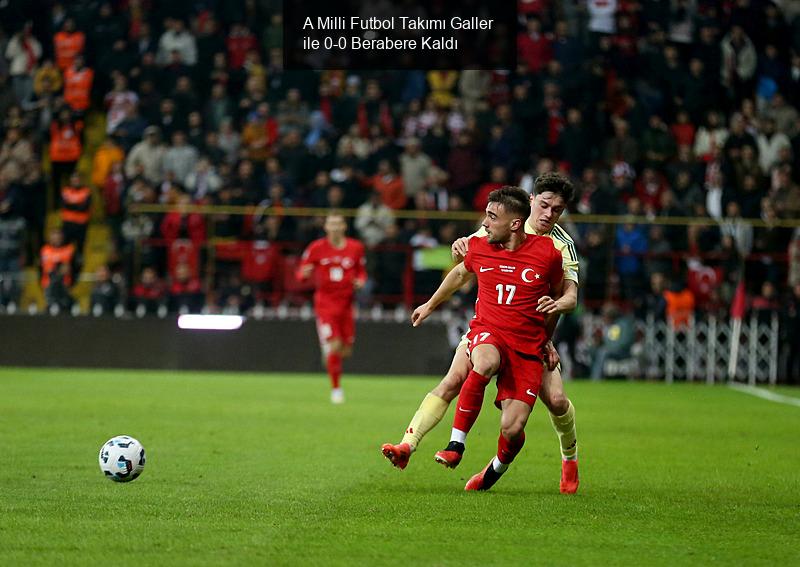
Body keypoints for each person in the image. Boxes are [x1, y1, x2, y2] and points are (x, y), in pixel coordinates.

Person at [382, 172, 581, 494]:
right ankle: (409, 444)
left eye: (556, 210)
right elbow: (464, 264)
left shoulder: (558, 247)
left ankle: (568, 457)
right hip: (489, 327)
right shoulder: (501, 221)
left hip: (532, 336)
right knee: (454, 379)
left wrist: (554, 318)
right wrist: (433, 300)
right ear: (531, 202)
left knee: (555, 401)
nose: (548, 215)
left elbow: (570, 294)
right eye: (544, 205)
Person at [297, 214, 366, 404]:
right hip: (325, 304)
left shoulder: (356, 248)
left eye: (338, 224)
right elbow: (301, 272)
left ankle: (328, 352)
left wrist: (360, 281)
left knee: (345, 351)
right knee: (335, 345)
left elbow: (361, 271)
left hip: (346, 304)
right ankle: (336, 389)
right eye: (331, 224)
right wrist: (304, 274)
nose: (335, 227)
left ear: (344, 226)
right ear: (326, 227)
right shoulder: (316, 248)